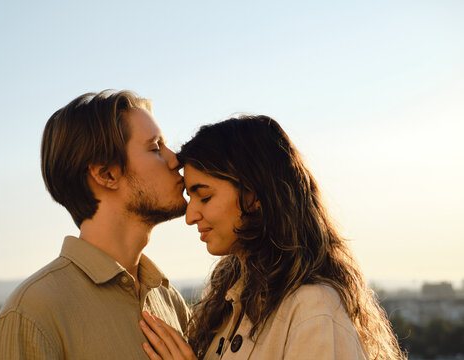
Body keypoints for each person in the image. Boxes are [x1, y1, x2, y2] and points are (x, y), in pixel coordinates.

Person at [139, 116, 406, 359]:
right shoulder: (226, 304)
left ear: (254, 195)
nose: (191, 215)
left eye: (205, 196)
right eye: (191, 196)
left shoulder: (314, 308)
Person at [0, 90, 190, 359]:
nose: (175, 160)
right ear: (107, 174)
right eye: (155, 148)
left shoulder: (170, 301)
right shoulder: (32, 314)